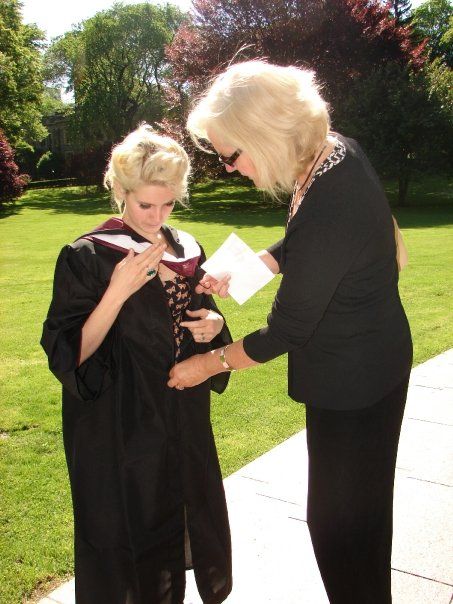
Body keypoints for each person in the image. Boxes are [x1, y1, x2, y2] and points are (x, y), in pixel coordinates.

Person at [168, 61, 413, 603]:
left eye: (230, 154)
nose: (229, 168)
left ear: (263, 133)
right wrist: (249, 271)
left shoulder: (333, 191)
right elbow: (306, 245)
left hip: (357, 386)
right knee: (355, 523)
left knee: (341, 531)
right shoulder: (327, 155)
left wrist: (202, 366)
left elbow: (285, 331)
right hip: (357, 371)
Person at [41, 124, 233, 604]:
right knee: (125, 532)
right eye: (145, 204)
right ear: (121, 193)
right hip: (118, 422)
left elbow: (197, 321)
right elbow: (70, 353)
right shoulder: (87, 256)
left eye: (167, 204)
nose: (156, 216)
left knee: (181, 515)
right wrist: (117, 292)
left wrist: (214, 323)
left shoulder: (187, 248)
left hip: (180, 413)